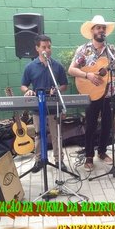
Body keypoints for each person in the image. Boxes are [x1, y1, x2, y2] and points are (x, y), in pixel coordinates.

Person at [68, 15, 115, 171]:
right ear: (92, 30)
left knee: (107, 124)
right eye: (98, 27)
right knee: (91, 125)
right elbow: (71, 69)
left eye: (103, 28)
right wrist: (88, 75)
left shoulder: (110, 49)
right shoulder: (83, 50)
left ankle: (102, 152)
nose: (101, 30)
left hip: (108, 93)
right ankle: (88, 156)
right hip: (91, 94)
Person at [21, 34, 68, 173]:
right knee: (38, 134)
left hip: (54, 106)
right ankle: (38, 160)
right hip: (38, 107)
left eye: (49, 47)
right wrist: (28, 91)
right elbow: (23, 85)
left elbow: (64, 85)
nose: (47, 50)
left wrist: (57, 89)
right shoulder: (30, 67)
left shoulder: (57, 66)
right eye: (43, 47)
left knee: (56, 135)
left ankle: (59, 160)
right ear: (37, 48)